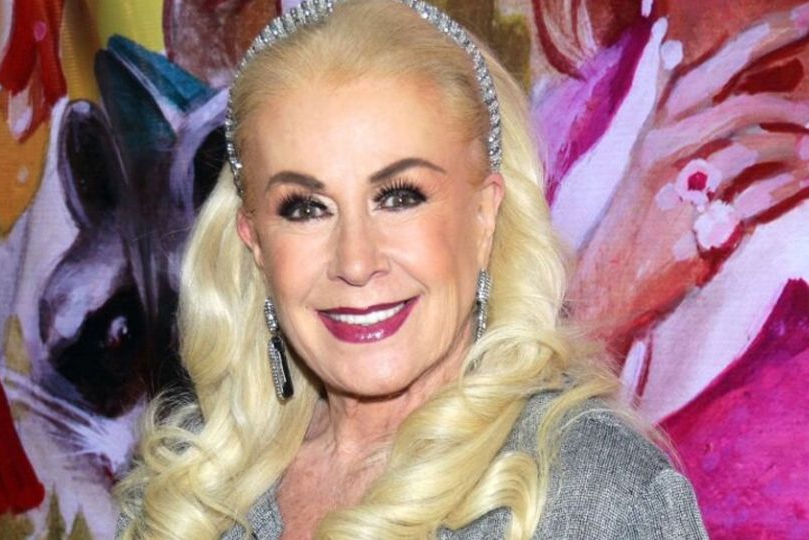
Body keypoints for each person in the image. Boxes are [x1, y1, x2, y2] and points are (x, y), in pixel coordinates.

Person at [115, 0, 709, 538]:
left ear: (484, 216)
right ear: (255, 243)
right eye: (306, 208)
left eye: (399, 197)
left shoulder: (598, 495)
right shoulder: (190, 491)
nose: (355, 262)